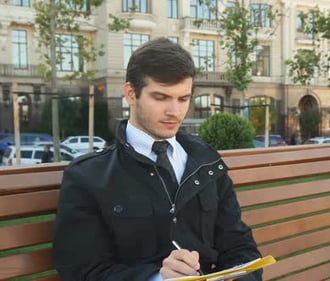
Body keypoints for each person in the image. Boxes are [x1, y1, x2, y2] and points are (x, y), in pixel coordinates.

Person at [52, 38, 262, 281]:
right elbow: (81, 269)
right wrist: (157, 278)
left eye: (183, 99)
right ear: (131, 94)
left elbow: (240, 247)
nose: (175, 111)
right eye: (161, 97)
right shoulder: (88, 177)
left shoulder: (206, 161)